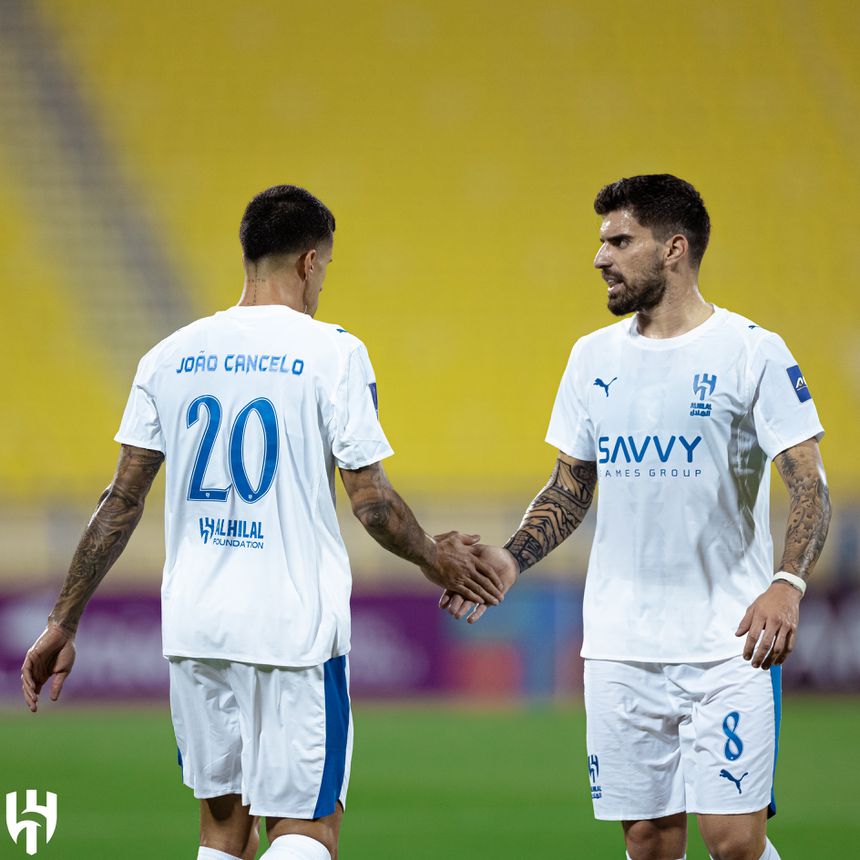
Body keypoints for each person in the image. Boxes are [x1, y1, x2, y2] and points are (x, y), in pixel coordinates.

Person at [21, 184, 503, 860]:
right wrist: (437, 560)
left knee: (223, 833)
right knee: (306, 830)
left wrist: (62, 620)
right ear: (310, 262)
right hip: (292, 629)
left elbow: (120, 502)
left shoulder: (168, 356)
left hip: (197, 629)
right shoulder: (332, 351)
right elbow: (372, 502)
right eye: (326, 268)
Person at [442, 175, 831, 860]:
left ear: (673, 249)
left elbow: (809, 487)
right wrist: (509, 558)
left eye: (619, 241)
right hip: (621, 643)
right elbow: (569, 488)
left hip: (727, 641)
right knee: (650, 843)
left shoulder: (752, 351)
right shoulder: (592, 358)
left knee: (735, 842)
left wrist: (787, 583)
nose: (600, 257)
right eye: (601, 242)